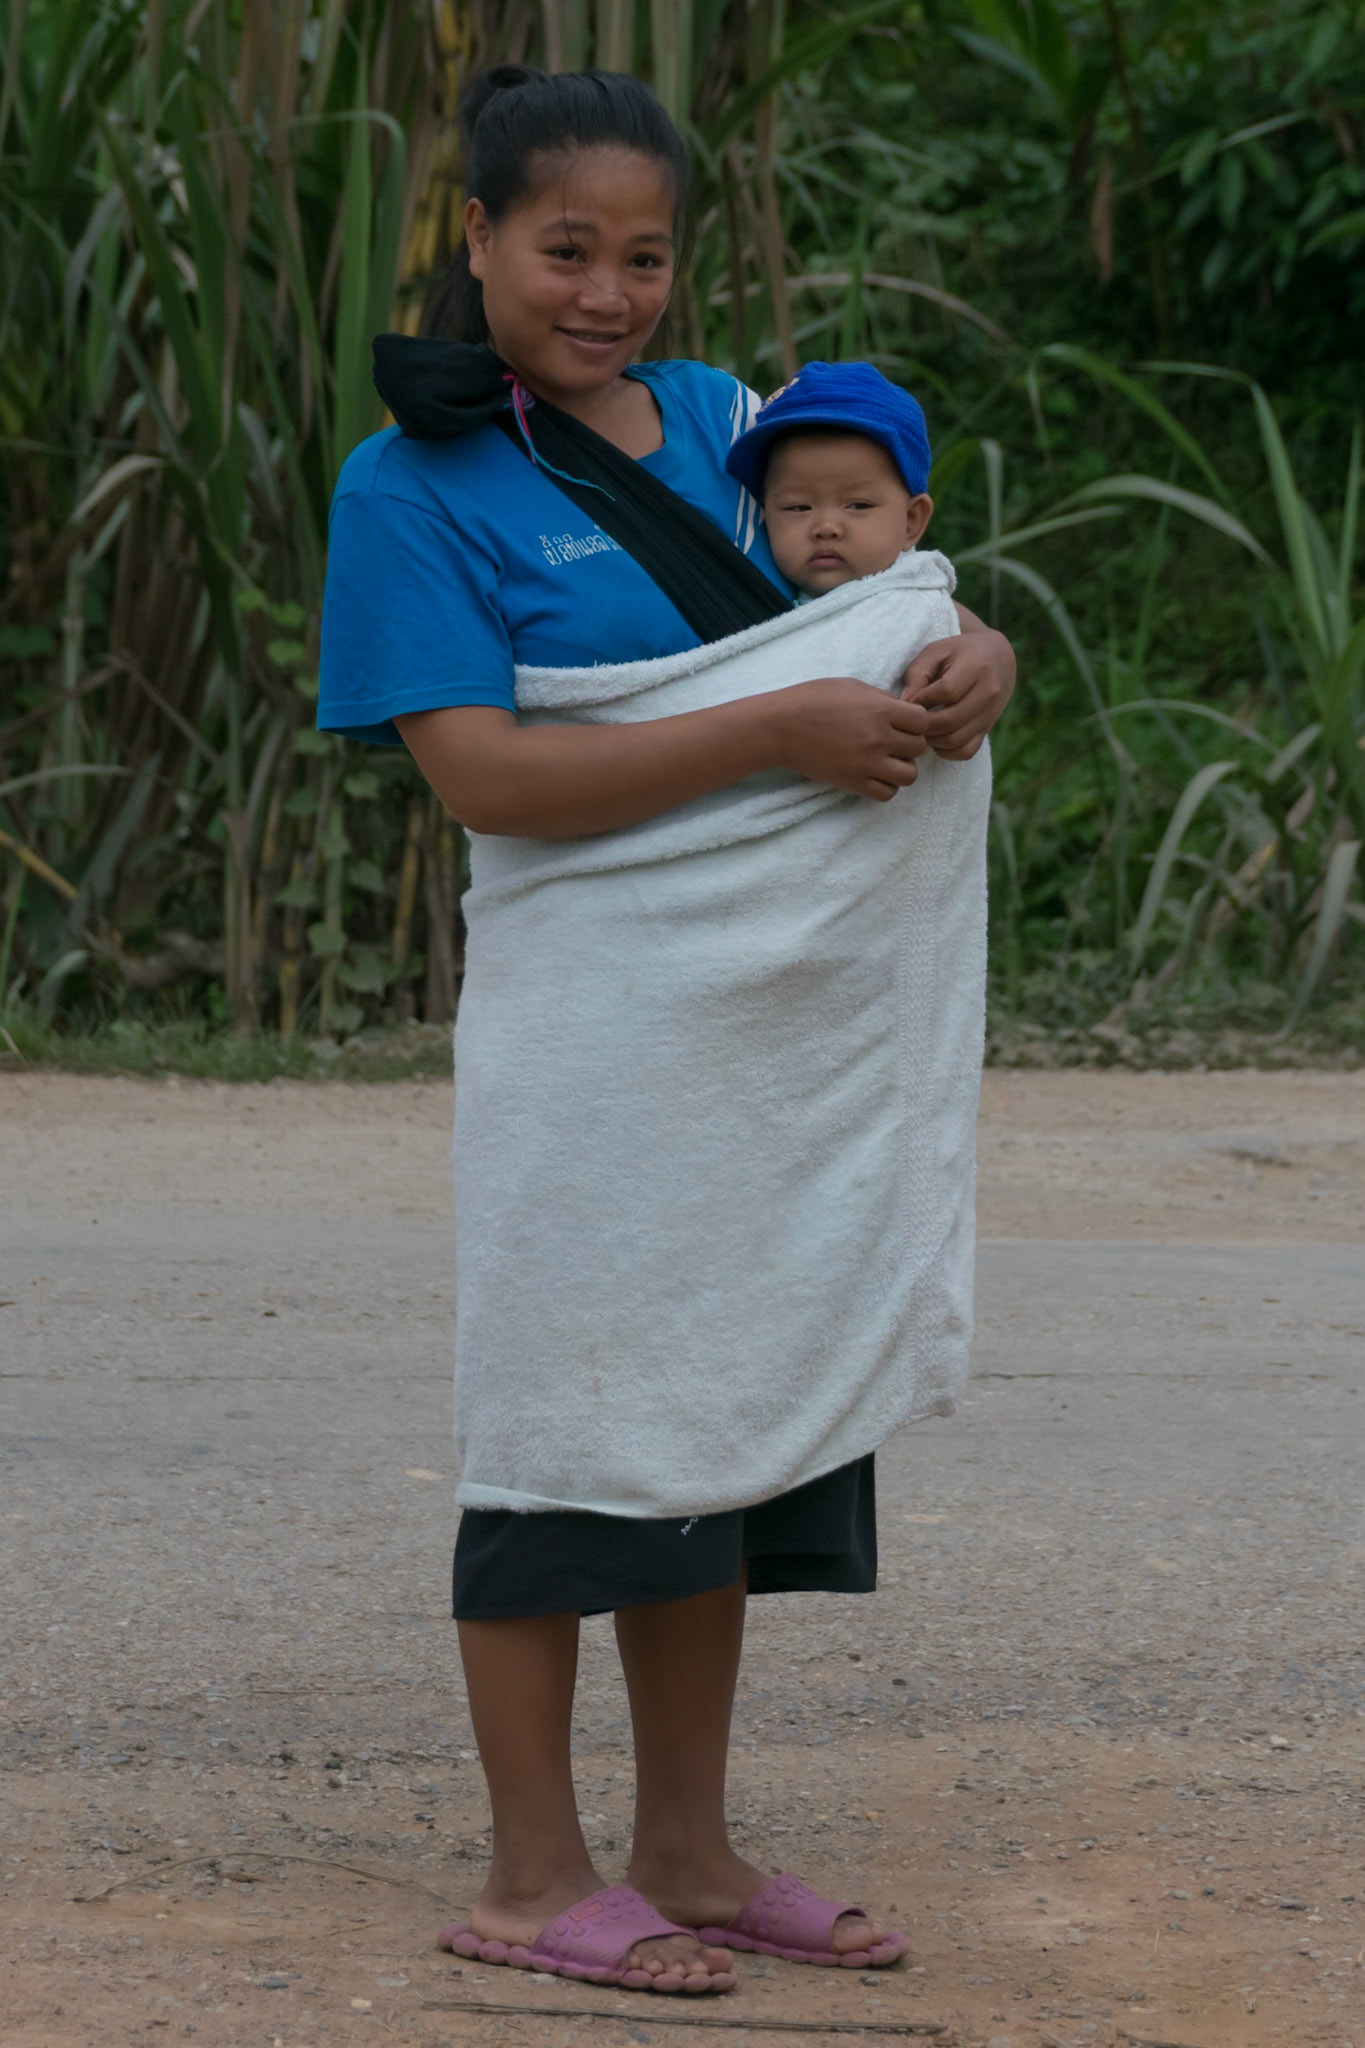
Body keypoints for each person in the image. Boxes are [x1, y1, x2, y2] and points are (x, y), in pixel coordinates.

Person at [319, 63, 1014, 1999]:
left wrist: (973, 654)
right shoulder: (409, 483)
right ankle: (536, 1873)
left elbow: (868, 594)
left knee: (722, 1402)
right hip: (595, 1032)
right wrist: (778, 731)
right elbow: (485, 779)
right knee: (564, 1424)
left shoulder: (731, 427)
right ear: (475, 241)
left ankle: (687, 1845)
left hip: (770, 1049)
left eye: (642, 255)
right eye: (562, 249)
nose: (606, 290)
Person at [725, 360, 935, 598]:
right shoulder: (751, 598)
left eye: (858, 505)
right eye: (799, 507)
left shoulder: (920, 610)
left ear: (911, 521)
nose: (826, 527)